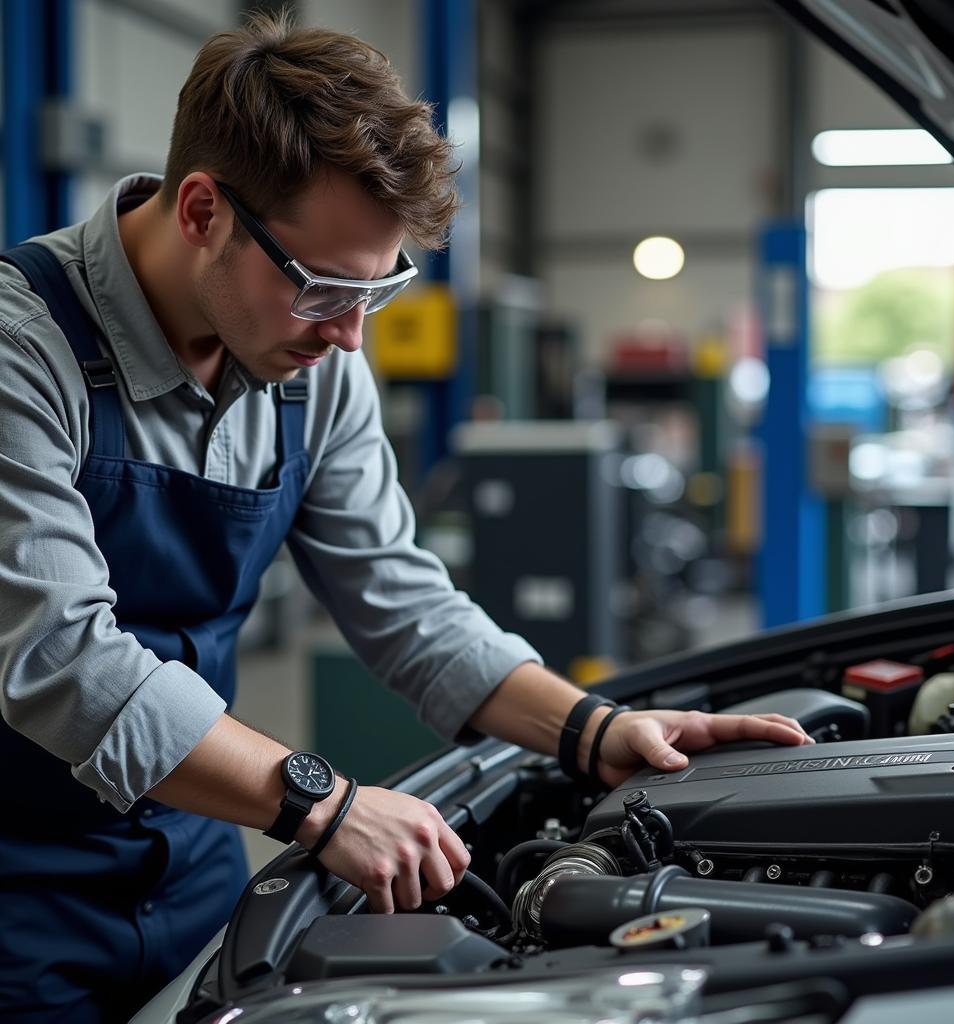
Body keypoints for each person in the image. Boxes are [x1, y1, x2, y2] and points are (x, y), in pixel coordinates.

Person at [0, 13, 811, 1022]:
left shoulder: (313, 369)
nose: (348, 334)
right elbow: (63, 663)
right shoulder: (20, 353)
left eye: (374, 291)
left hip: (194, 853)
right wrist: (323, 802)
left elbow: (403, 601)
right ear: (203, 209)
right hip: (19, 892)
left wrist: (590, 729)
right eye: (322, 288)